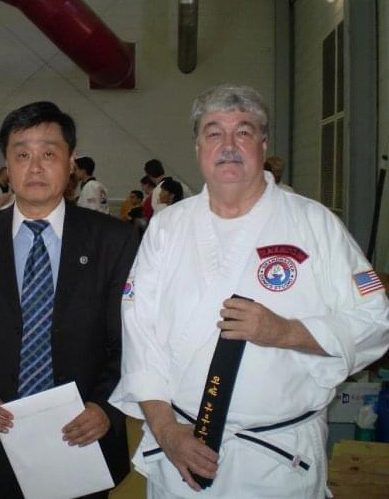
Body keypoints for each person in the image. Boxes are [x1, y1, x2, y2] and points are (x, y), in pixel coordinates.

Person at [109, 84, 389, 497]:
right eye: (213, 132)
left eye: (243, 131)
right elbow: (139, 333)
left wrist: (285, 331)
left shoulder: (315, 224)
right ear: (198, 145)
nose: (228, 145)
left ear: (263, 143)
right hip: (182, 449)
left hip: (277, 460)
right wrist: (166, 431)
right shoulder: (167, 227)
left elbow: (374, 321)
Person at [0, 101, 138, 498]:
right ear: (7, 166)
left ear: (71, 162)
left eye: (48, 153)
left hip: (85, 435)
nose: (35, 166)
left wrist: (106, 406)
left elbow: (133, 337)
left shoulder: (114, 241)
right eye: (22, 154)